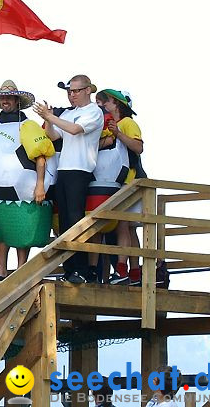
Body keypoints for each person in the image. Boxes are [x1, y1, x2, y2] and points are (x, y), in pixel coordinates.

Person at [0, 81, 55, 281]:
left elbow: (40, 156)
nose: (5, 101)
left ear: (17, 100)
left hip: (21, 193)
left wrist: (40, 184)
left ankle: (21, 270)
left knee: (20, 229)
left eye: (8, 97)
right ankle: (0, 271)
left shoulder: (27, 125)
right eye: (2, 98)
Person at [34, 75, 104, 284]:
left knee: (75, 220)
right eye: (69, 91)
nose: (71, 95)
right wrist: (48, 119)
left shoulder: (94, 111)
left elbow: (74, 129)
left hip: (80, 170)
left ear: (87, 90)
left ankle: (81, 269)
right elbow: (54, 137)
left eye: (75, 91)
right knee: (64, 222)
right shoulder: (68, 113)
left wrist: (51, 116)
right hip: (64, 169)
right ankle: (70, 269)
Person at [97, 88, 145, 285]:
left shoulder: (127, 123)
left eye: (105, 101)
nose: (102, 105)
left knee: (124, 226)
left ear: (116, 104)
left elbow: (138, 147)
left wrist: (118, 133)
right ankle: (134, 273)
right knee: (130, 228)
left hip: (130, 180)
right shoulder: (112, 125)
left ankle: (122, 270)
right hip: (126, 181)